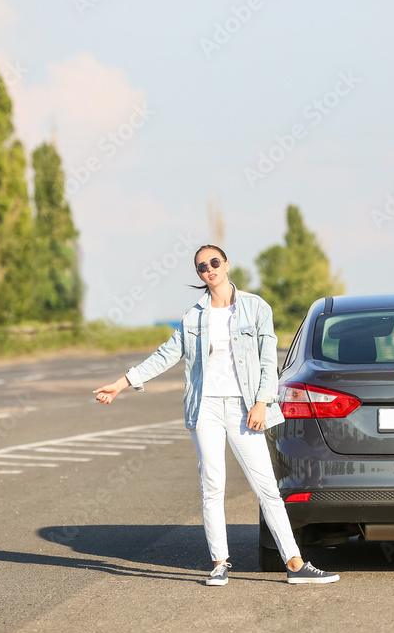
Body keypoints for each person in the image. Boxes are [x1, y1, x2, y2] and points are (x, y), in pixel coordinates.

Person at [93, 245, 339, 587]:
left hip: (244, 406)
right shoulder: (194, 316)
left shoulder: (255, 307)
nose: (209, 269)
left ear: (226, 264)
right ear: (199, 274)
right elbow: (167, 354)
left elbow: (269, 360)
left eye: (214, 262)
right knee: (212, 485)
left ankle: (295, 563)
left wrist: (263, 402)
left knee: (266, 486)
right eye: (201, 267)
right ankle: (220, 563)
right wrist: (121, 383)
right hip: (205, 406)